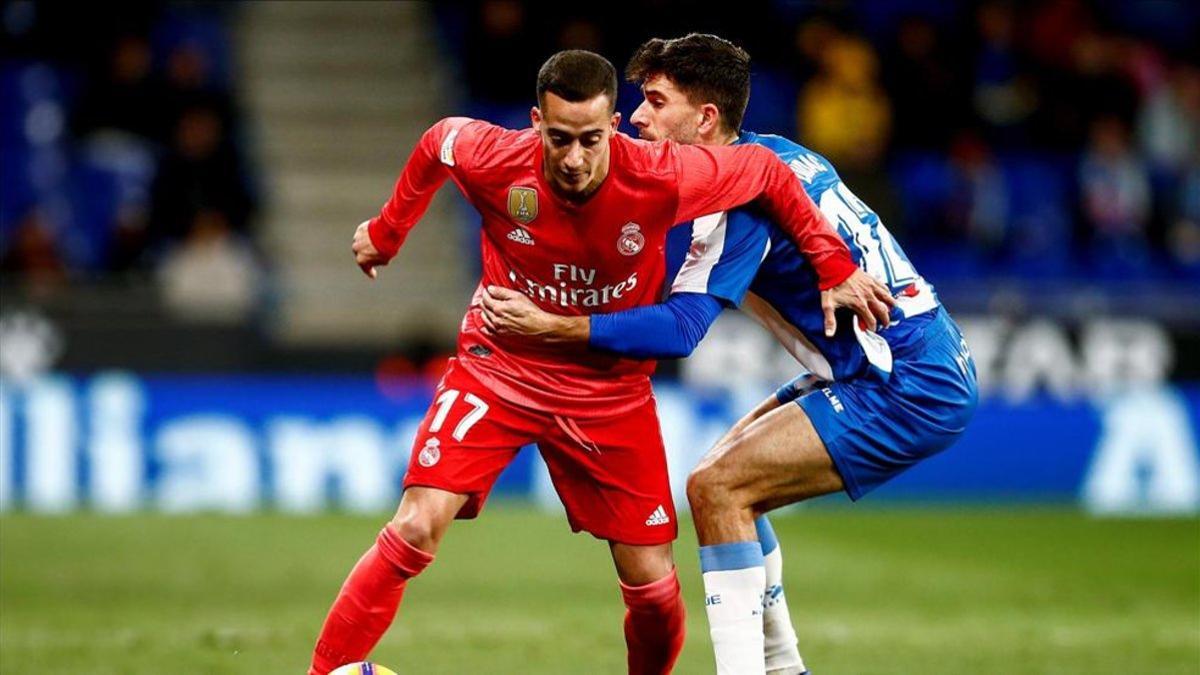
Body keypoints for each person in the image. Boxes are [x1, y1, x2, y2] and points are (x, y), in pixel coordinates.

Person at [309, 49, 892, 675]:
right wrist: (389, 230)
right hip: (500, 365)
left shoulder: (663, 172)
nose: (575, 158)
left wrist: (832, 265)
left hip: (608, 391)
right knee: (417, 525)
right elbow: (437, 143)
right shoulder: (495, 157)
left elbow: (767, 173)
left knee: (653, 588)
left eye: (591, 139)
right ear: (536, 123)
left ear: (614, 126)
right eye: (559, 139)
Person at [479, 35, 979, 675]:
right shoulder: (778, 155)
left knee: (718, 489)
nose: (638, 117)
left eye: (656, 103)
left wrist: (558, 325)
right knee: (721, 481)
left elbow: (681, 330)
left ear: (705, 119)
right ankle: (782, 667)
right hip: (914, 358)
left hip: (902, 380)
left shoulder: (738, 201)